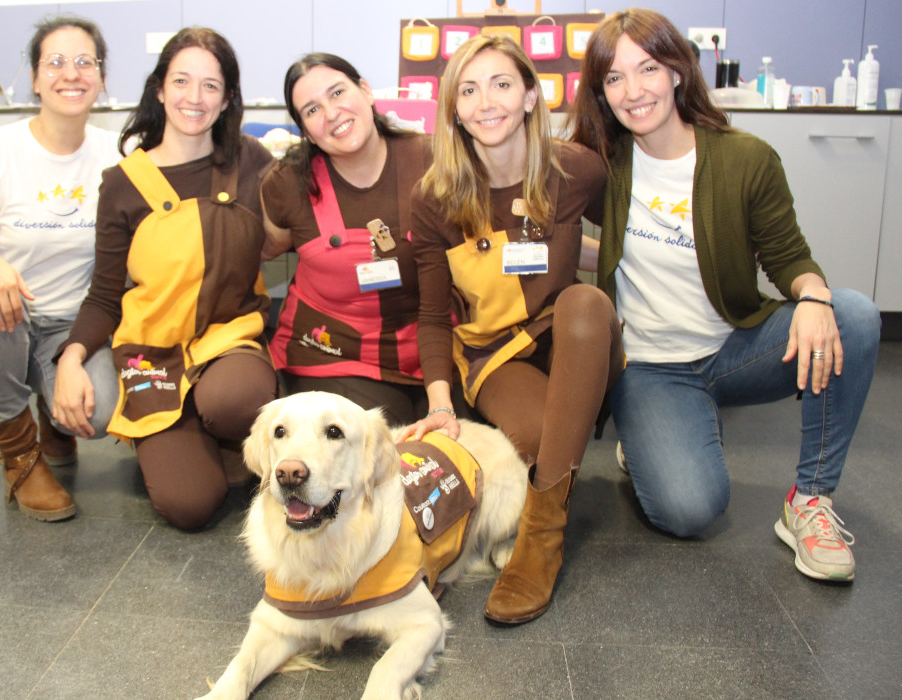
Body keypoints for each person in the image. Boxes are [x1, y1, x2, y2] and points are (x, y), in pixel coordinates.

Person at [571, 9, 880, 581]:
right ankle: (649, 435)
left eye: (648, 69)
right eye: (614, 78)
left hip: (737, 348)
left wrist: (813, 296)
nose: (634, 91)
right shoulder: (601, 167)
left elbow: (789, 259)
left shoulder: (745, 159)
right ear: (601, 91)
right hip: (650, 367)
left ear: (679, 72)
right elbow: (595, 244)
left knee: (853, 316)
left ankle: (810, 502)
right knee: (690, 511)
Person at [402, 34, 624, 624]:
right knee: (537, 442)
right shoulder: (435, 198)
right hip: (496, 352)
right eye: (468, 90)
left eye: (501, 84)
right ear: (453, 108)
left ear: (530, 95)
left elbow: (631, 231)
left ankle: (539, 541)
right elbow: (431, 315)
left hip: (574, 332)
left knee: (584, 301)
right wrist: (441, 405)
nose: (486, 102)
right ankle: (563, 463)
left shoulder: (578, 171)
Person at [53, 27, 277, 531]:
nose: (193, 98)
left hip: (229, 343)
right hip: (153, 356)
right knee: (190, 507)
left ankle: (218, 428)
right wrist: (70, 357)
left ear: (227, 100)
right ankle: (200, 443)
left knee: (234, 401)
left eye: (210, 86)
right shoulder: (123, 184)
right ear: (159, 88)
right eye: (181, 81)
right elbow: (105, 296)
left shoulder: (251, 161)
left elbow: (297, 227)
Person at [0, 15, 120, 522]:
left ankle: (53, 412)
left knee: (102, 412)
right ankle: (19, 455)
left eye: (85, 62)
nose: (72, 73)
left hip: (69, 327)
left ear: (102, 78)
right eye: (56, 62)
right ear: (36, 78)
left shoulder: (118, 153)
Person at [261, 53, 434, 424]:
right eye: (312, 110)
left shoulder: (433, 161)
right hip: (330, 353)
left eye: (338, 92)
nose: (331, 113)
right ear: (306, 130)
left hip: (431, 348)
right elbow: (259, 249)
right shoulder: (289, 183)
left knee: (457, 450)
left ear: (367, 91)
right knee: (382, 446)